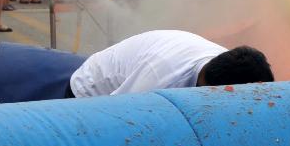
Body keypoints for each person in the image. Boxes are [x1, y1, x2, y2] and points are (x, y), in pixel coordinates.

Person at [66, 30, 274, 97]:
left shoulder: (228, 64)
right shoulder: (161, 79)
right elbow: (113, 118)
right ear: (206, 88)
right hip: (89, 93)